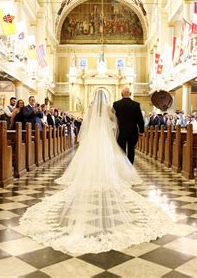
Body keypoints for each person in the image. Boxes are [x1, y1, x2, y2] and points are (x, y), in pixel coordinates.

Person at [18, 89, 172, 254]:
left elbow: (87, 123)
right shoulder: (108, 107)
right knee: (109, 155)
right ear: (105, 97)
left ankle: (91, 174)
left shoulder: (92, 108)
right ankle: (107, 174)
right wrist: (113, 127)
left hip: (92, 137)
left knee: (91, 154)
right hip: (105, 137)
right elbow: (113, 121)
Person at [112, 87, 145, 164]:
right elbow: (140, 119)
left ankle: (123, 166)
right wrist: (142, 131)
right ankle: (130, 166)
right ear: (130, 94)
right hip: (132, 132)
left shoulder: (116, 104)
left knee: (121, 150)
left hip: (120, 132)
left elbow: (113, 118)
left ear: (121, 94)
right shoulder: (136, 105)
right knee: (131, 150)